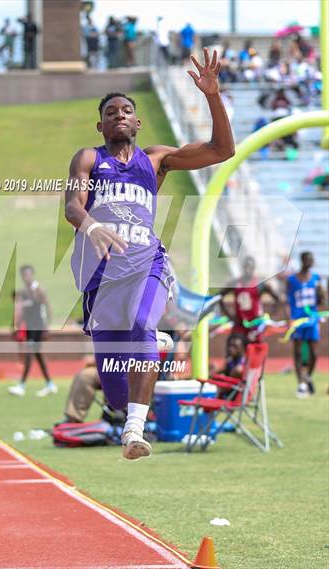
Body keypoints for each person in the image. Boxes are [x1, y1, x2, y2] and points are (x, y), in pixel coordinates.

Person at [65, 48, 235, 460]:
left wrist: (212, 95)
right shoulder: (89, 158)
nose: (119, 114)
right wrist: (93, 225)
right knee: (117, 391)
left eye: (126, 110)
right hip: (103, 278)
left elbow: (221, 150)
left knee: (142, 324)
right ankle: (146, 354)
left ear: (137, 123)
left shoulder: (156, 159)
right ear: (100, 124)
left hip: (147, 265)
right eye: (111, 112)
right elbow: (72, 207)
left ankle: (134, 432)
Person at [8, 265, 57, 397]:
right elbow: (22, 311)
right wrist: (16, 326)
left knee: (29, 352)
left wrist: (47, 327)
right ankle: (50, 384)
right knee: (38, 355)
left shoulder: (38, 290)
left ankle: (22, 385)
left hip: (39, 326)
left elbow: (47, 307)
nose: (26, 277)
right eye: (23, 275)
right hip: (30, 327)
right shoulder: (23, 292)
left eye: (28, 274)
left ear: (32, 275)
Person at [286, 252, 325, 398]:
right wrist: (288, 318)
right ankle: (300, 383)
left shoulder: (316, 279)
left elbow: (322, 302)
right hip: (297, 319)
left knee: (313, 353)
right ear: (303, 260)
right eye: (309, 259)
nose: (311, 261)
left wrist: (322, 294)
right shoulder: (292, 280)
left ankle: (307, 376)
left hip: (311, 320)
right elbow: (287, 300)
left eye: (312, 259)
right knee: (297, 351)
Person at [219, 256, 280, 344]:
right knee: (233, 344)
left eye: (250, 267)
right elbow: (220, 296)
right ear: (243, 268)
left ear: (253, 268)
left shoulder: (260, 284)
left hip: (255, 323)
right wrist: (229, 315)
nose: (248, 269)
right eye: (246, 267)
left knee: (255, 348)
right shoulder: (235, 283)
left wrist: (270, 314)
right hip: (240, 322)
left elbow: (276, 298)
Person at [216, 334, 246, 399]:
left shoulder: (240, 367)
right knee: (213, 367)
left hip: (231, 396)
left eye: (235, 347)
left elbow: (227, 388)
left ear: (242, 348)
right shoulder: (232, 360)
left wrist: (215, 386)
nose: (230, 348)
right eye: (230, 346)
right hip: (228, 392)